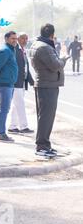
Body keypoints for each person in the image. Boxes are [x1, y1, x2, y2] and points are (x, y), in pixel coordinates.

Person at [30, 24, 69, 158]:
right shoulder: (45, 47)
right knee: (46, 117)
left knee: (44, 117)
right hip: (48, 85)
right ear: (52, 34)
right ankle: (42, 146)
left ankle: (44, 144)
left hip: (44, 83)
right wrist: (63, 60)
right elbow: (55, 65)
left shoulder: (36, 44)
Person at [0, 31, 18, 143]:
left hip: (9, 83)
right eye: (12, 38)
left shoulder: (11, 50)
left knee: (5, 109)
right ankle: (0, 134)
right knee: (4, 109)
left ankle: (1, 133)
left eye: (16, 38)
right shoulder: (5, 50)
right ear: (6, 39)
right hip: (4, 84)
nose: (15, 40)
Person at [8, 32, 35, 134]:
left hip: (22, 82)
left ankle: (13, 126)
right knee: (20, 105)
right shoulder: (15, 50)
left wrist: (31, 81)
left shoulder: (22, 51)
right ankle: (24, 127)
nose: (25, 41)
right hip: (16, 82)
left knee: (17, 105)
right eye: (23, 38)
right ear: (18, 39)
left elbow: (26, 68)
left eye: (26, 39)